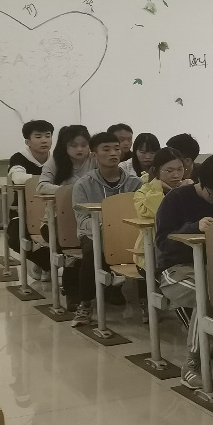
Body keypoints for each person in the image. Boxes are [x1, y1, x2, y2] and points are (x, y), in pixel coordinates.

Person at [153, 154, 213, 390]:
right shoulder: (176, 199)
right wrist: (194, 228)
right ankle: (192, 364)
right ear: (200, 182)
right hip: (175, 271)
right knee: (208, 294)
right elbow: (162, 243)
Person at [69, 131, 143, 326]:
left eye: (116, 149)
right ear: (94, 155)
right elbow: (82, 221)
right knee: (90, 251)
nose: (113, 153)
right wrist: (106, 226)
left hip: (129, 233)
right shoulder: (83, 185)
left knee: (147, 250)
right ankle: (85, 303)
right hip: (94, 233)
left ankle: (145, 301)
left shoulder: (135, 183)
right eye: (106, 149)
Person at [7, 119, 53, 276]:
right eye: (38, 136)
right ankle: (46, 263)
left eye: (48, 135)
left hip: (51, 211)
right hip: (23, 211)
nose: (44, 140)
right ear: (28, 141)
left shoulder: (56, 158)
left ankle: (46, 264)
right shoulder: (19, 157)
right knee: (15, 240)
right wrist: (47, 181)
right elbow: (18, 178)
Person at [132, 147, 188, 264]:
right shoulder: (143, 193)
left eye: (180, 169)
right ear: (156, 171)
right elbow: (157, 213)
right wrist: (157, 189)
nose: (176, 175)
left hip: (183, 251)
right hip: (151, 256)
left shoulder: (187, 189)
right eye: (169, 171)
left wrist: (190, 191)